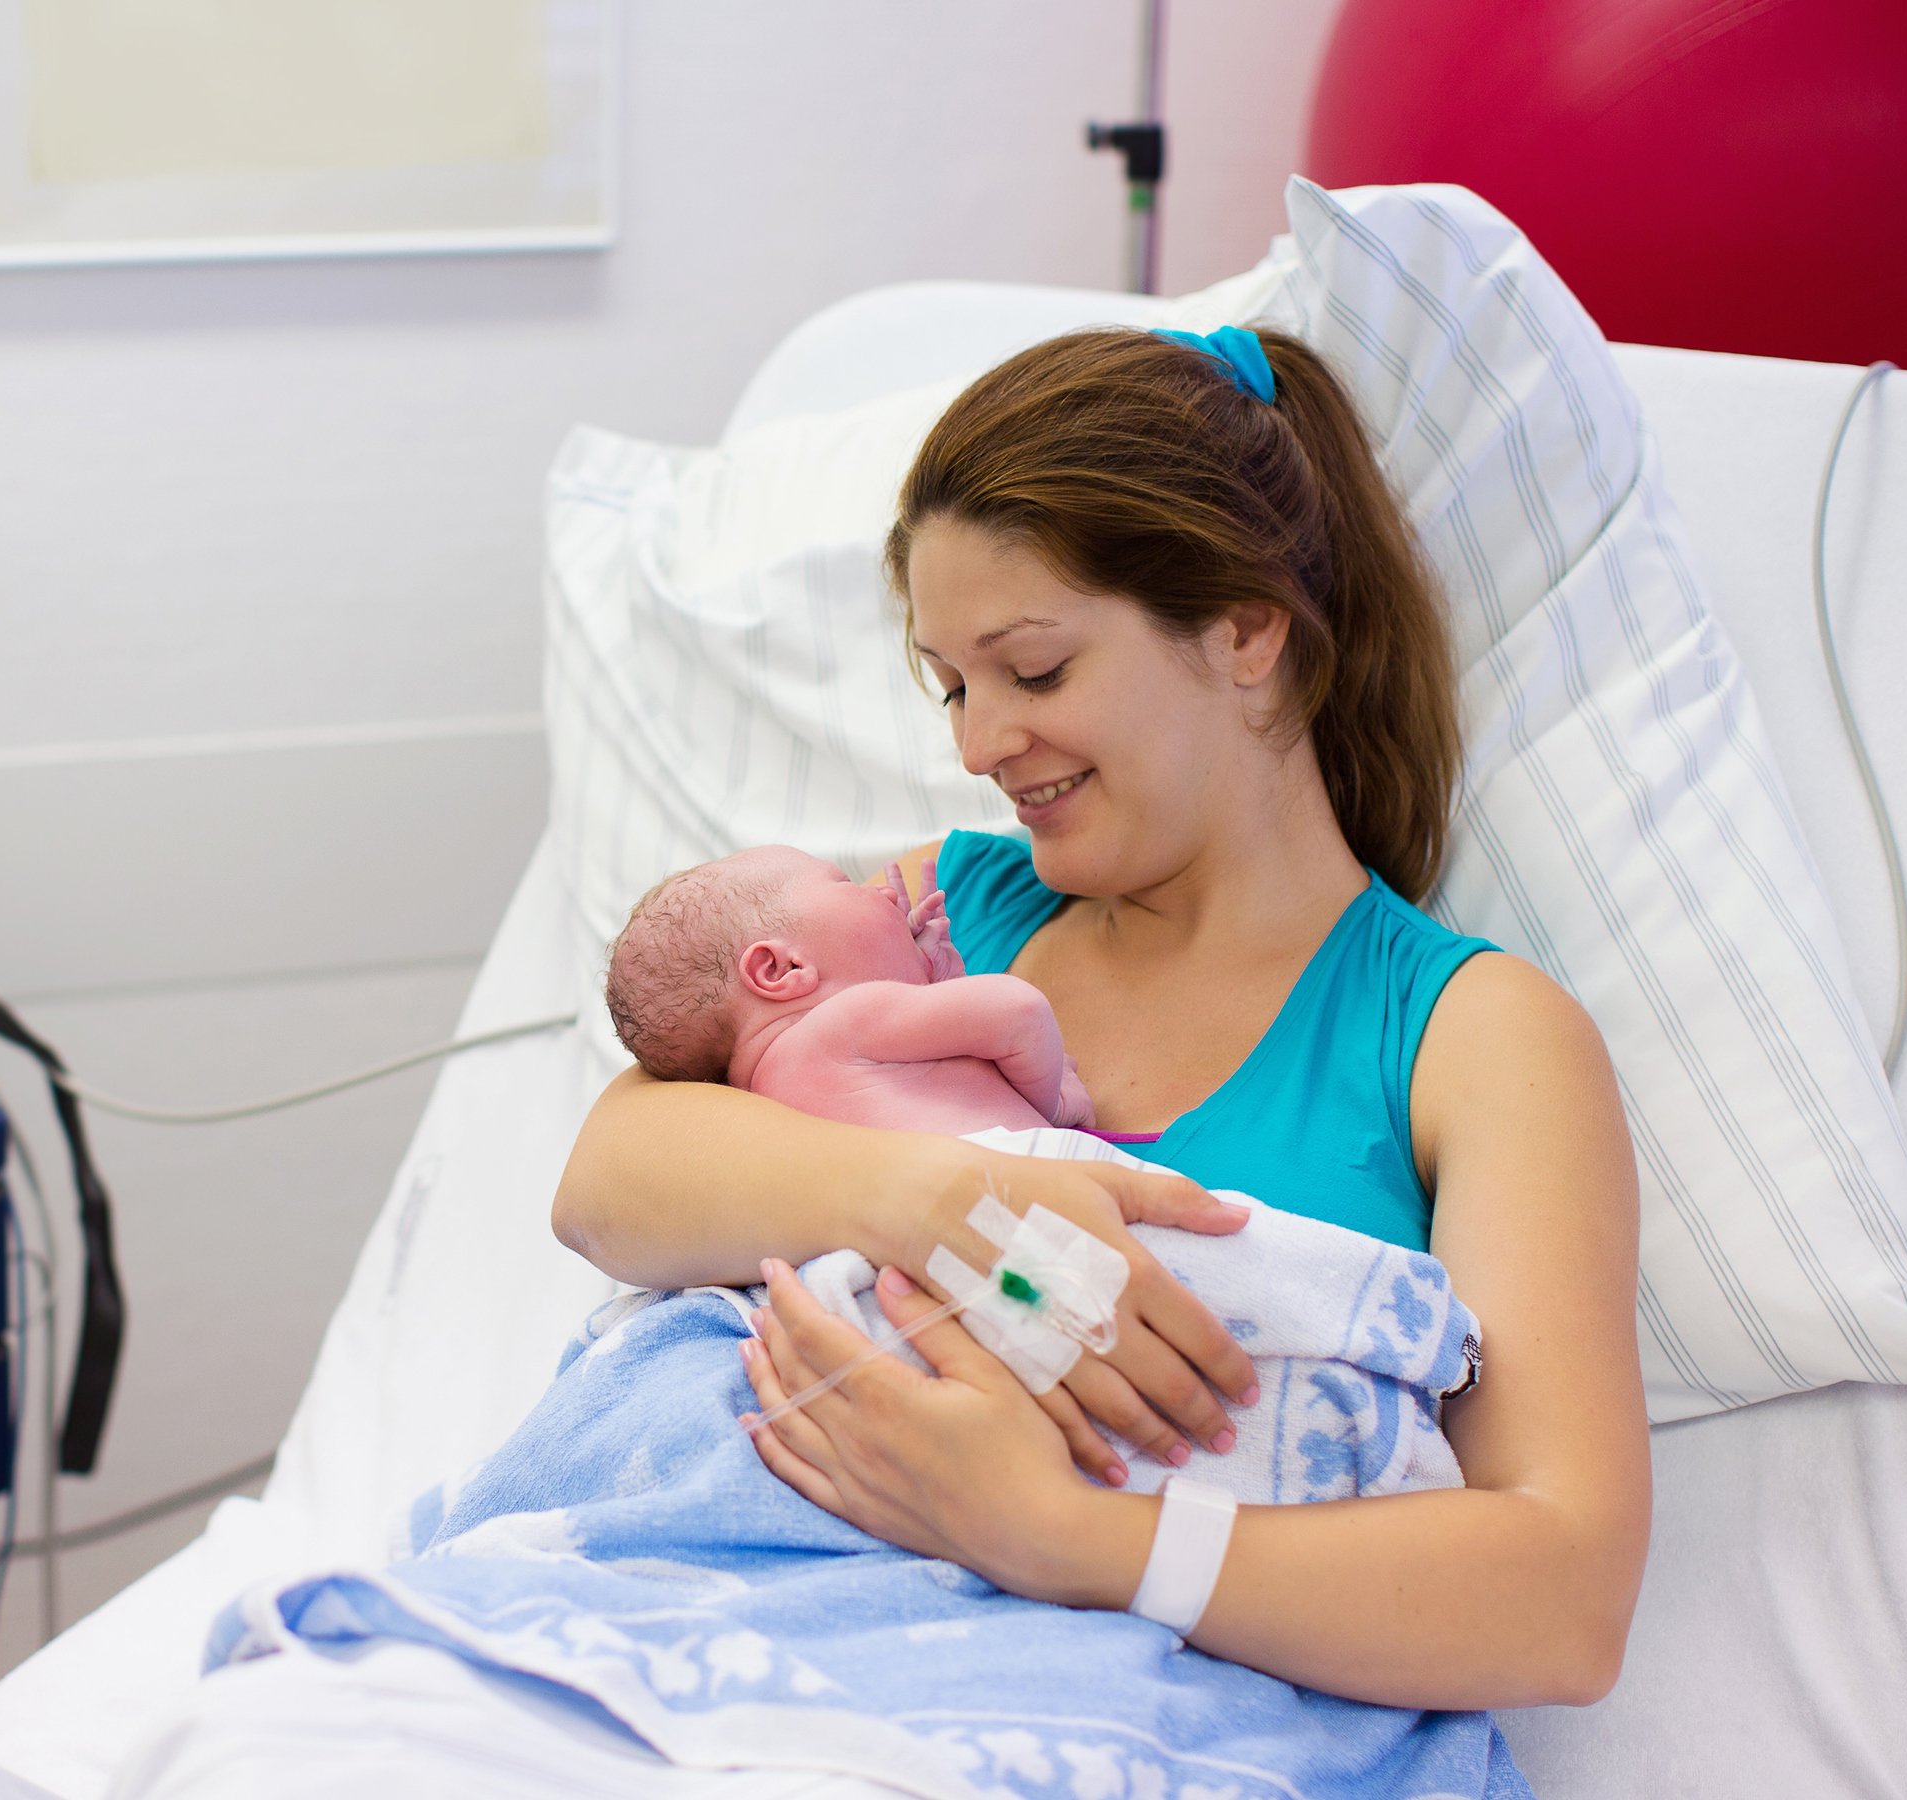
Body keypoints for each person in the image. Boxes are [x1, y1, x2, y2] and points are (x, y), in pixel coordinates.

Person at [553, 324, 1652, 1710]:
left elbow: (1562, 1603)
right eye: (953, 685)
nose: (974, 743)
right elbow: (607, 1185)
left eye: (1035, 671)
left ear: (1247, 628)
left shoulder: (1466, 1033)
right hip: (765, 1645)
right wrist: (950, 1210)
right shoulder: (932, 918)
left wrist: (1072, 1539)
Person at [603, 845, 1095, 1135]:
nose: (881, 892)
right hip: (1020, 1195)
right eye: (847, 885)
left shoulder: (760, 1105)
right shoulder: (847, 1019)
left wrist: (935, 982)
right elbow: (1018, 1011)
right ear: (782, 968)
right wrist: (1051, 1101)